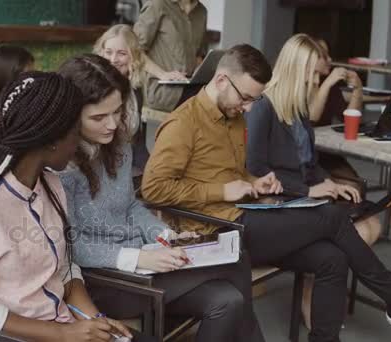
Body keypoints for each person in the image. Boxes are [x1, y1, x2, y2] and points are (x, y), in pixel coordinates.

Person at [141, 43, 391, 342]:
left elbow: (229, 170)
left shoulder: (234, 115)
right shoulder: (183, 123)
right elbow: (153, 188)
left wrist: (254, 182)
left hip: (245, 218)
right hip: (215, 231)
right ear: (220, 81)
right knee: (331, 216)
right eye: (245, 98)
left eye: (254, 100)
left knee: (332, 258)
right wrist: (222, 190)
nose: (248, 108)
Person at [58, 54, 265, 342]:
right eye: (99, 117)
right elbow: (67, 246)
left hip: (144, 261)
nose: (113, 124)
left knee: (228, 301)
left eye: (118, 112)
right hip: (101, 279)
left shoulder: (116, 146)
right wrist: (138, 256)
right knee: (237, 261)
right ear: (70, 116)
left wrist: (167, 235)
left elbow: (130, 206)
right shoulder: (59, 165)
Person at [0, 71, 153, 342]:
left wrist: (94, 320)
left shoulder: (50, 185)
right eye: (76, 133)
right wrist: (63, 333)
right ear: (52, 141)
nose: (79, 143)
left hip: (61, 324)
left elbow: (64, 268)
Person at [245, 33, 383, 329]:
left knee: (372, 223)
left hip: (304, 191)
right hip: (280, 199)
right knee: (351, 233)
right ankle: (316, 291)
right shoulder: (263, 107)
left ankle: (320, 287)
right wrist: (310, 189)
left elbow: (309, 162)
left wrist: (331, 181)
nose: (315, 80)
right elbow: (254, 169)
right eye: (311, 74)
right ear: (295, 69)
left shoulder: (297, 106)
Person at [310, 36, 382, 245]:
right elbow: (311, 116)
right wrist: (330, 81)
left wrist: (357, 89)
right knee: (340, 190)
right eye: (324, 56)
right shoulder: (305, 86)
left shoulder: (330, 87)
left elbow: (350, 116)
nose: (330, 60)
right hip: (307, 156)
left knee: (355, 186)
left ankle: (345, 232)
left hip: (326, 154)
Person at [93, 24, 183, 174]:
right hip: (101, 162)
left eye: (121, 53)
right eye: (108, 52)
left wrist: (151, 169)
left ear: (133, 56)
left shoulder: (135, 88)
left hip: (128, 158)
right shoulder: (95, 89)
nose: (113, 59)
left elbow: (137, 141)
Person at [134, 0, 207, 112]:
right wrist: (163, 74)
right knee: (208, 103)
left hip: (190, 85)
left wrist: (201, 70)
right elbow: (135, 50)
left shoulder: (202, 11)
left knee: (223, 96)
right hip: (161, 89)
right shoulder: (157, 5)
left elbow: (198, 54)